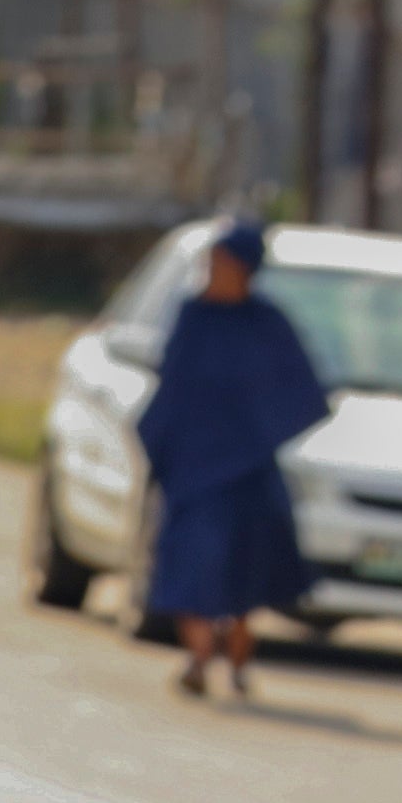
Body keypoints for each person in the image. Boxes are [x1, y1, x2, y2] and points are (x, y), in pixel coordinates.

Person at [138, 221, 330, 702]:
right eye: (210, 264)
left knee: (241, 575)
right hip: (192, 471)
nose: (213, 274)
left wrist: (253, 438)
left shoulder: (267, 326)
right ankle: (199, 658)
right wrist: (162, 446)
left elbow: (300, 393)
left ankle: (236, 657)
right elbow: (173, 388)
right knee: (189, 566)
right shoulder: (193, 317)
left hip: (246, 474)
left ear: (245, 270)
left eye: (222, 265)